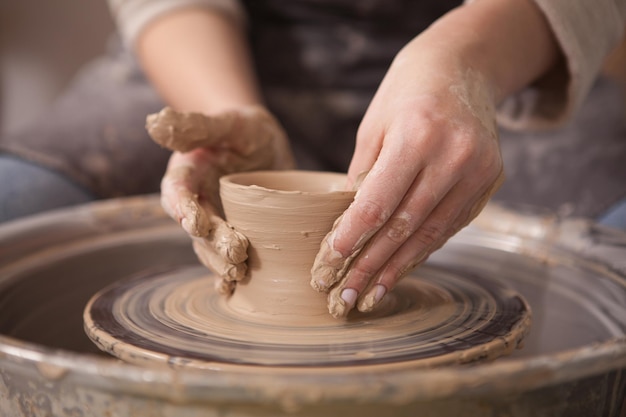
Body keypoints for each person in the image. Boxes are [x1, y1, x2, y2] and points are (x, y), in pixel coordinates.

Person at [1, 0, 626, 317]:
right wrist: (226, 112)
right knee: (14, 204)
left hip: (497, 64)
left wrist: (468, 63)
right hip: (210, 56)